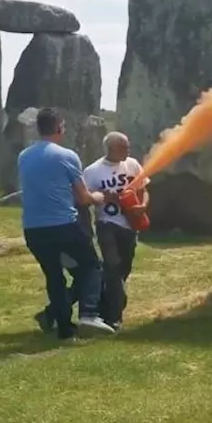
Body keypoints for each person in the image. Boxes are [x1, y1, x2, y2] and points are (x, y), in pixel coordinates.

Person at [19, 108, 115, 338]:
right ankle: (89, 314)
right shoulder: (66, 156)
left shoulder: (24, 156)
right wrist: (99, 197)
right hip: (63, 225)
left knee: (54, 276)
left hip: (33, 227)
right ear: (59, 127)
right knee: (92, 266)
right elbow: (83, 197)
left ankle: (64, 328)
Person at [83, 131, 148, 331]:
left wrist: (143, 206)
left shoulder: (133, 164)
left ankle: (103, 308)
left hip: (129, 225)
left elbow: (143, 190)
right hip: (107, 223)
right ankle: (114, 316)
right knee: (112, 266)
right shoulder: (93, 170)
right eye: (124, 147)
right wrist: (103, 194)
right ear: (111, 149)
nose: (128, 150)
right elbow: (85, 196)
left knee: (122, 270)